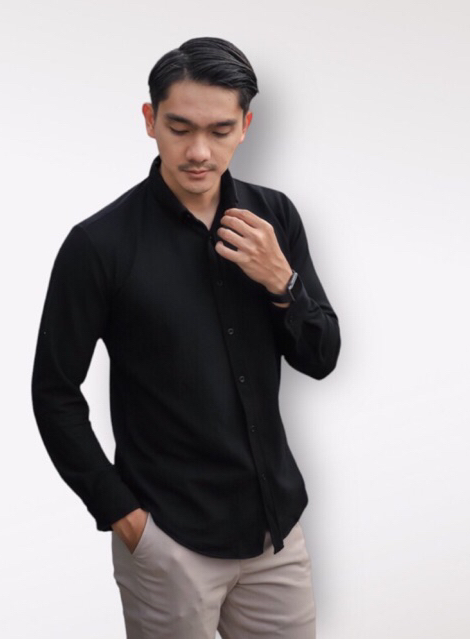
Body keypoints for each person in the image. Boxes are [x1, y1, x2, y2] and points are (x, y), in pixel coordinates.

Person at [31, 36, 341, 639]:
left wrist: (282, 282)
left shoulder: (275, 217)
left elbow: (322, 358)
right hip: (168, 543)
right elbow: (54, 393)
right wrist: (124, 517)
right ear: (150, 120)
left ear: (246, 126)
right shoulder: (98, 245)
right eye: (179, 128)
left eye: (220, 130)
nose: (199, 151)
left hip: (276, 535)